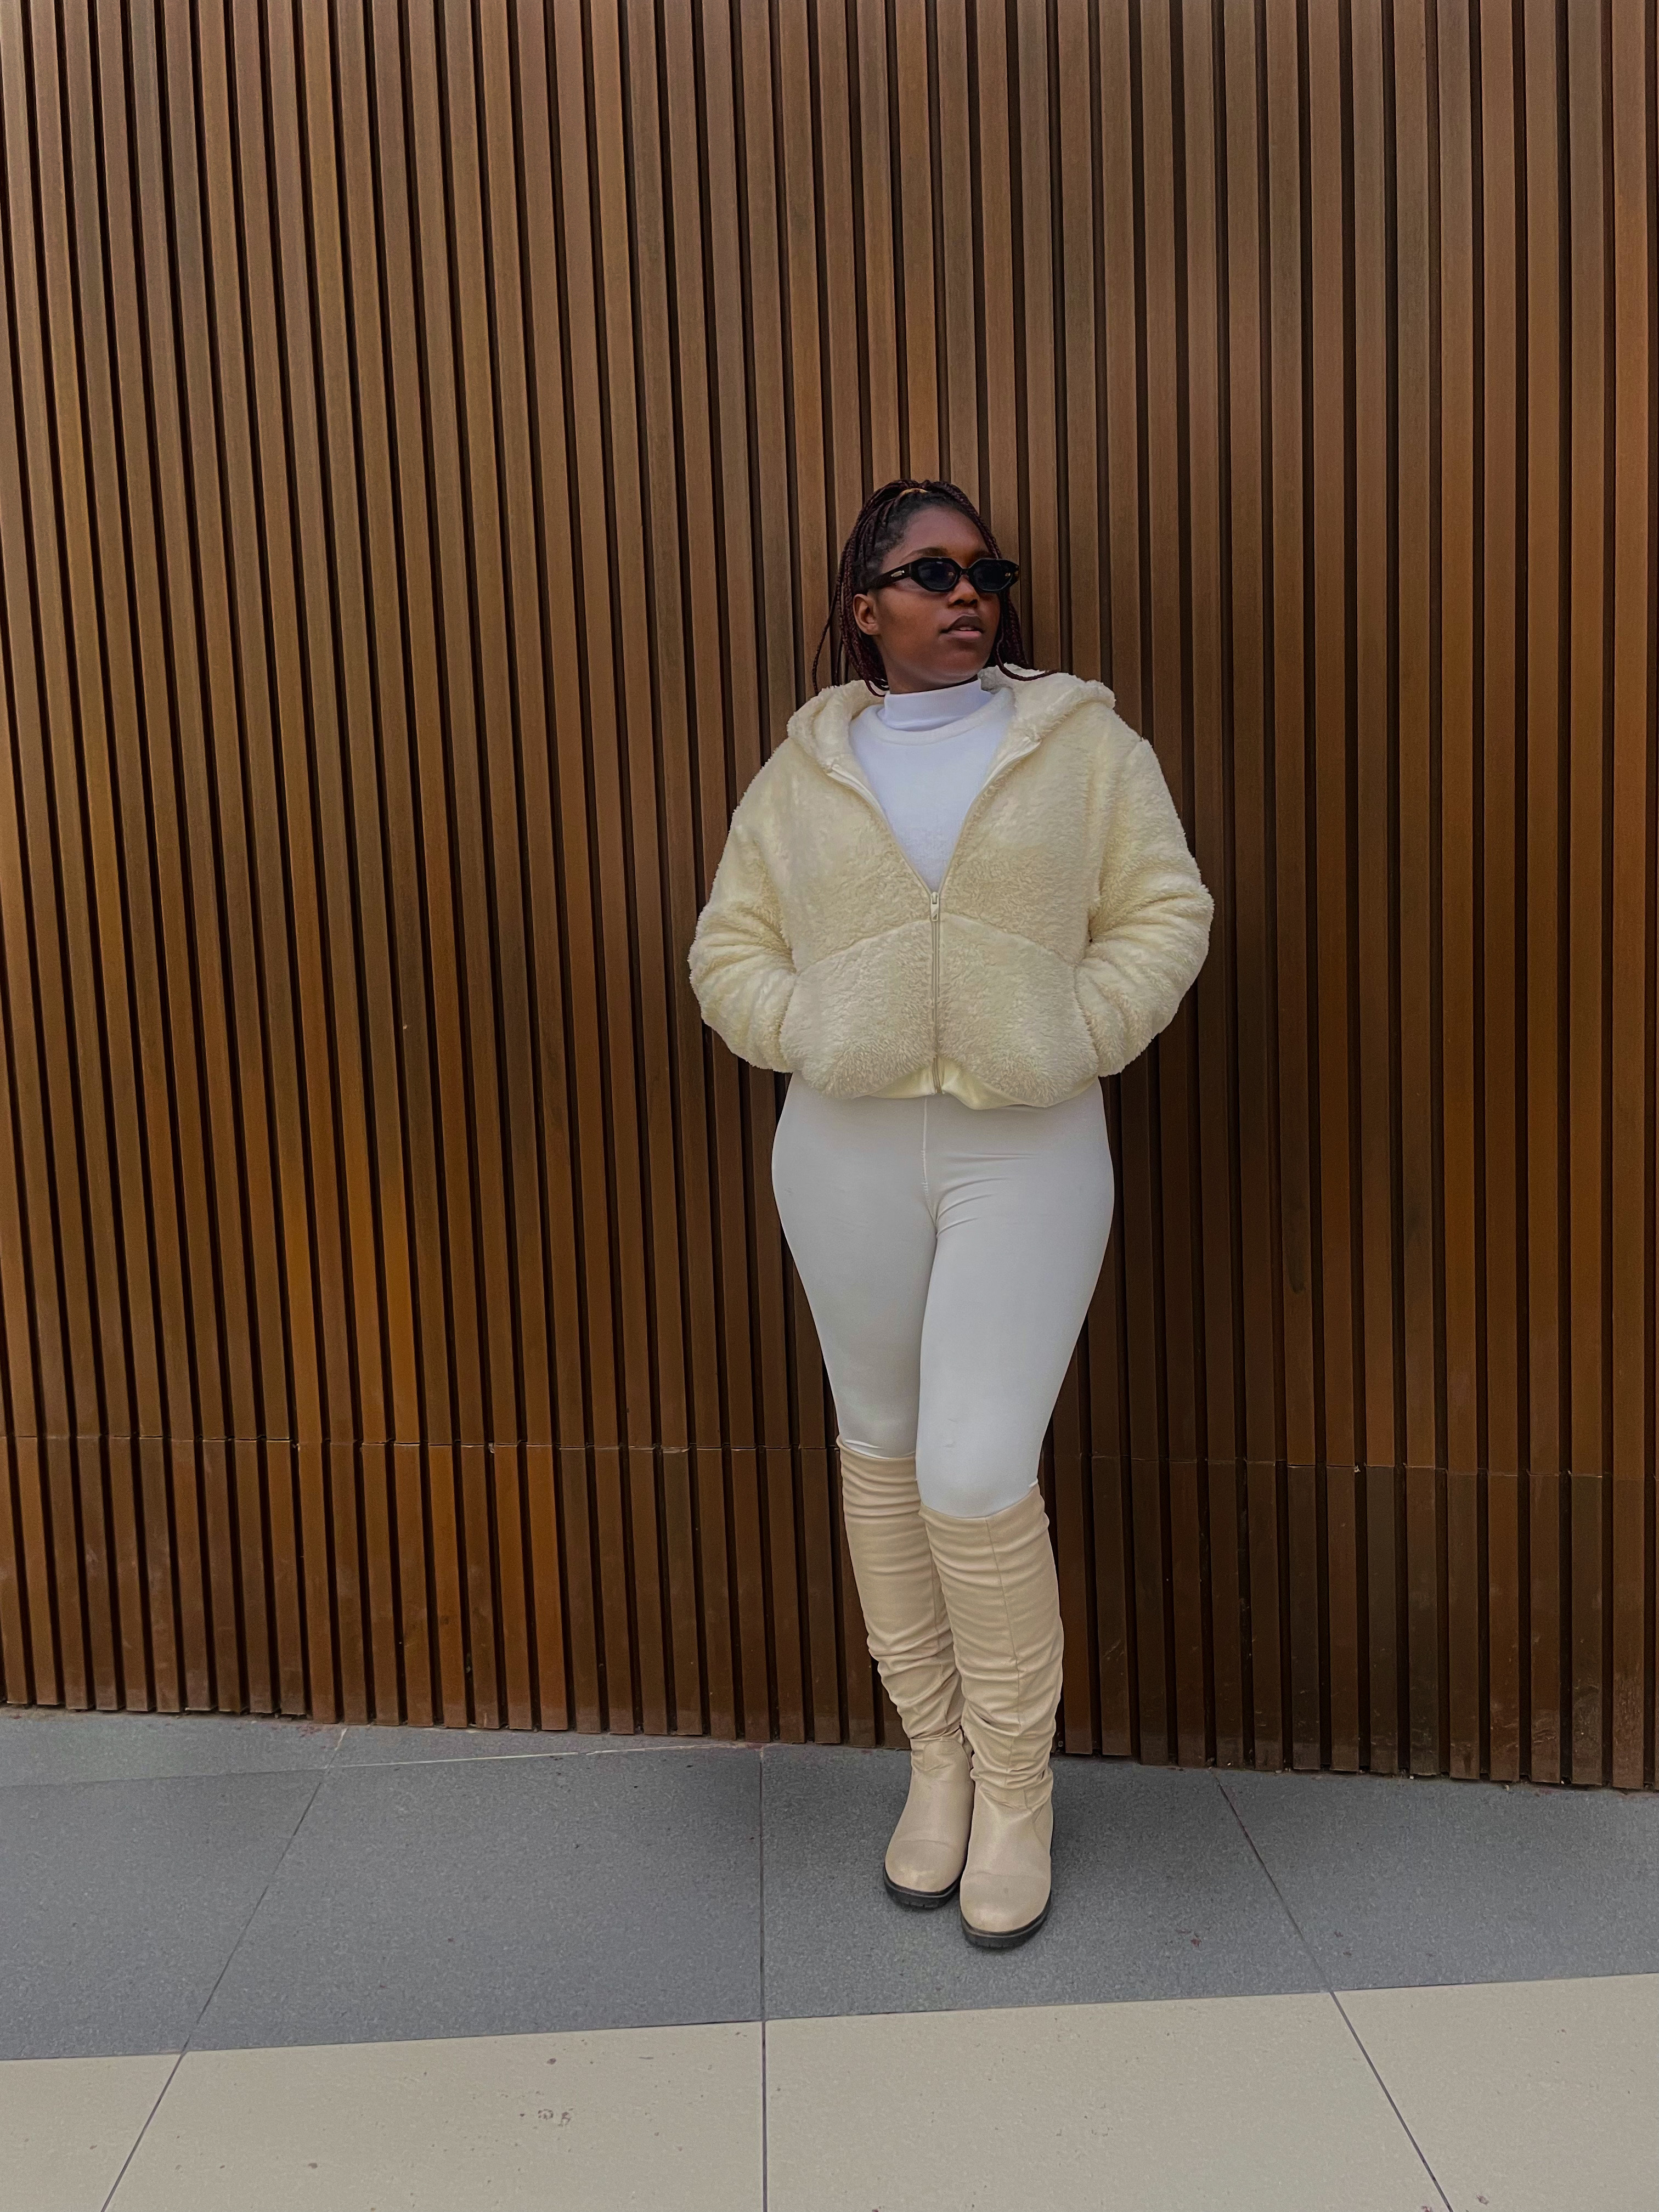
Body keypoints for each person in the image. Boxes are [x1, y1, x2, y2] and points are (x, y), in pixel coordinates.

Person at [687, 478, 1212, 1948]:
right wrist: (810, 1028)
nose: (965, 592)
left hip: (1026, 1149)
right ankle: (936, 1764)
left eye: (984, 570)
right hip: (842, 1148)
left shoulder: (1084, 745)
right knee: (880, 1446)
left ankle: (1017, 1793)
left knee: (976, 1473)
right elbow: (729, 947)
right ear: (866, 606)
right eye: (927, 572)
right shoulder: (805, 770)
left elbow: (1165, 911)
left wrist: (1073, 1029)